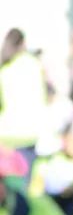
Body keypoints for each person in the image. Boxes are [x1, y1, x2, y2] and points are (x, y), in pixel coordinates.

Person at [0, 29, 48, 163]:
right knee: (25, 180)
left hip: (5, 134)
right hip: (29, 132)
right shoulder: (33, 64)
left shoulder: (4, 67)